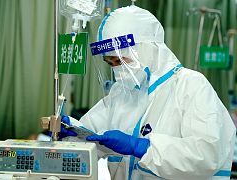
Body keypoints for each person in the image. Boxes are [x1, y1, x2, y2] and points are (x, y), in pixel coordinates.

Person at [61, 5, 236, 180]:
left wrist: (141, 146)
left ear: (146, 50)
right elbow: (92, 134)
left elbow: (206, 155)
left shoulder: (190, 85)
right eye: (110, 63)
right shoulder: (121, 94)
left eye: (120, 60)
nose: (117, 70)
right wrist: (72, 135)